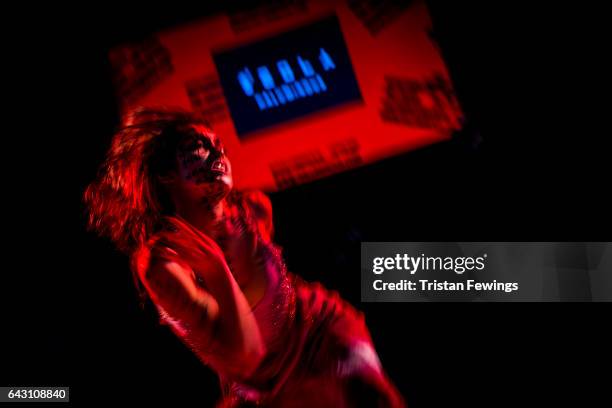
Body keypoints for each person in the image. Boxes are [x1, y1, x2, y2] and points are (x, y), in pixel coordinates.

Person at [84, 107, 405, 407]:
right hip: (258, 380)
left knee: (372, 395)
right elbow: (246, 357)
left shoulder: (252, 208)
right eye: (199, 146)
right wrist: (216, 268)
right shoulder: (164, 264)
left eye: (219, 144)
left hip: (320, 333)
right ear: (166, 173)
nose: (218, 153)